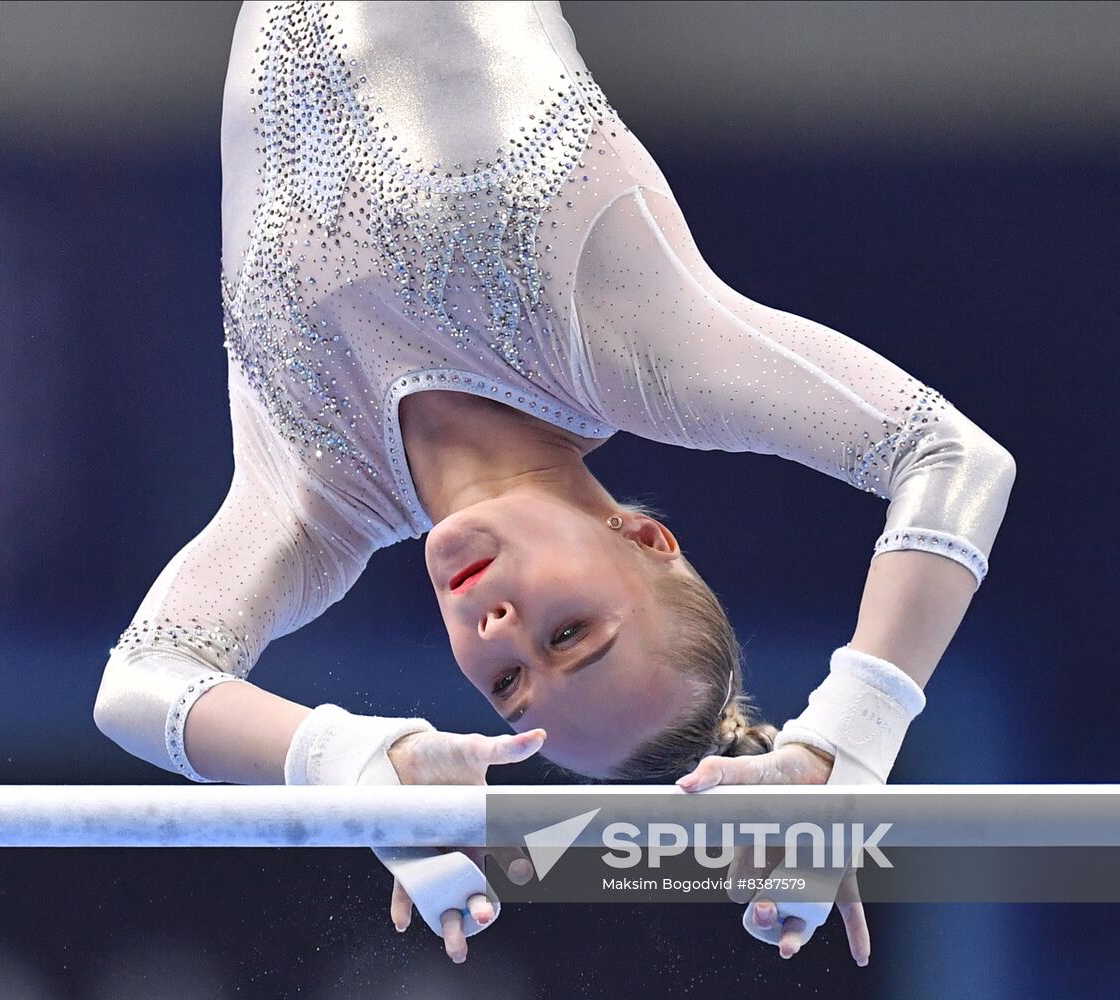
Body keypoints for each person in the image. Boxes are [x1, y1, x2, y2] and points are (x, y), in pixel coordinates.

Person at [92, 0, 1016, 965]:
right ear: (643, 539)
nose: (500, 633)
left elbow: (140, 686)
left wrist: (351, 763)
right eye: (569, 633)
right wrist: (849, 746)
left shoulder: (316, 501)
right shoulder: (629, 345)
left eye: (506, 683)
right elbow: (952, 458)